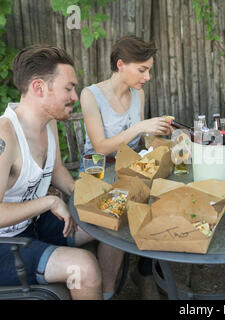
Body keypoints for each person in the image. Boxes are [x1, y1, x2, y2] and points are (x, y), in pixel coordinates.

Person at [0, 45, 124, 300]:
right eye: (68, 88)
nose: (76, 96)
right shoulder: (5, 136)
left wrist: (95, 197)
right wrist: (50, 201)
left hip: (34, 226)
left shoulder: (49, 123)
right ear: (39, 88)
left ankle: (109, 293)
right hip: (5, 247)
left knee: (114, 218)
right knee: (84, 267)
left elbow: (56, 171)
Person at [80, 36, 173, 299]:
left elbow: (141, 141)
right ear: (121, 65)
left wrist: (164, 137)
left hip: (129, 166)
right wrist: (140, 127)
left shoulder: (137, 94)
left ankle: (145, 273)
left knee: (166, 195)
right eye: (142, 70)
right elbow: (100, 146)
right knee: (118, 210)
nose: (148, 77)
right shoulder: (90, 94)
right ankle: (107, 291)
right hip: (96, 169)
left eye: (149, 70)